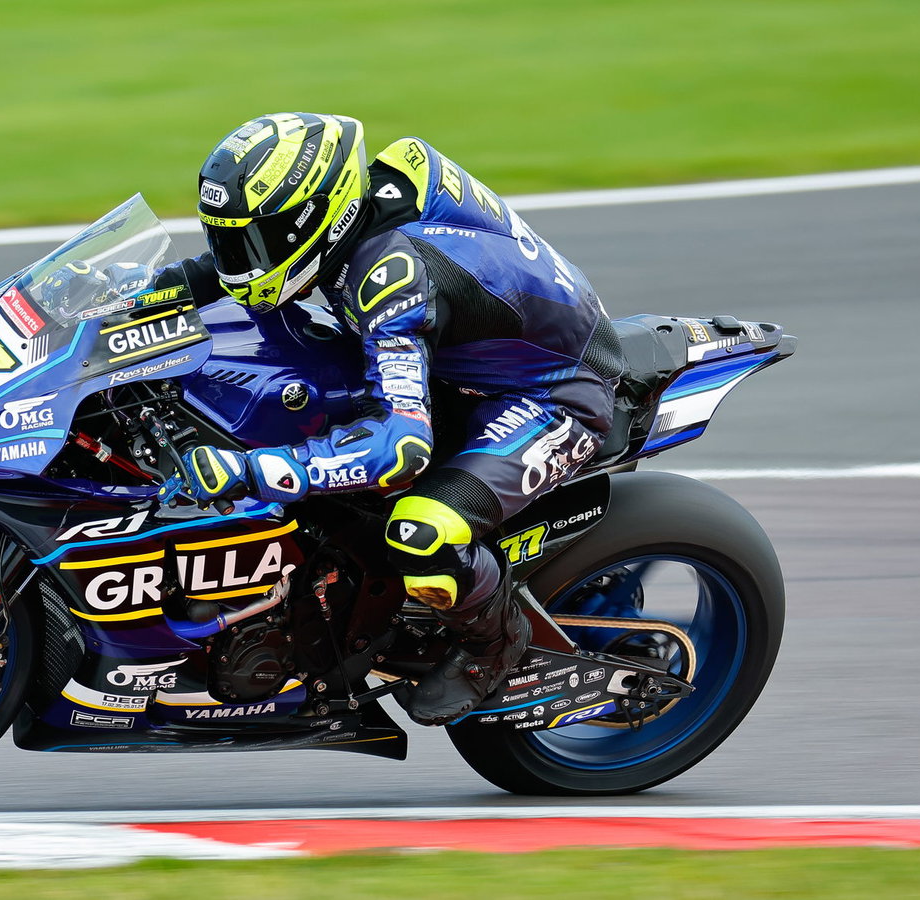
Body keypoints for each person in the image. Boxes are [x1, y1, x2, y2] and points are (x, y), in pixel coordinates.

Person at [153, 112, 624, 725]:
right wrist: (118, 301)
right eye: (228, 239)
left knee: (423, 531)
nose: (239, 262)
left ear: (316, 220)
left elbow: (403, 448)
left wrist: (255, 469)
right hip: (467, 357)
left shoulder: (389, 279)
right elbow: (220, 272)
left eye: (256, 242)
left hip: (553, 392)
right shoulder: (347, 221)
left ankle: (494, 644)